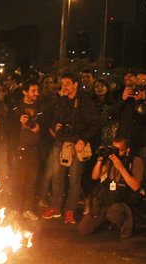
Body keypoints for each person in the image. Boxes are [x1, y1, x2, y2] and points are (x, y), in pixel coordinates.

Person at [41, 72, 99, 224]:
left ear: (75, 85)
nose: (64, 86)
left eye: (67, 83)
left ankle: (70, 210)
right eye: (62, 83)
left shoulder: (85, 101)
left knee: (74, 178)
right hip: (60, 142)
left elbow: (94, 124)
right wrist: (56, 125)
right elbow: (50, 116)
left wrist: (82, 139)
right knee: (57, 176)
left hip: (77, 144)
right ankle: (55, 207)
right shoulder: (61, 100)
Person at [78, 135, 143, 239]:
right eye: (113, 148)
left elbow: (135, 186)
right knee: (83, 229)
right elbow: (95, 176)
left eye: (118, 150)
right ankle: (106, 221)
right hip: (108, 198)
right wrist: (99, 160)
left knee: (113, 212)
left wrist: (120, 166)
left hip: (123, 200)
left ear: (127, 150)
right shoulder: (111, 159)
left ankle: (128, 222)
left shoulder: (135, 161)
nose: (115, 153)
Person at [9, 79, 43, 221]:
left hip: (34, 150)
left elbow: (39, 128)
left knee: (31, 181)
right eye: (33, 91)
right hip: (19, 148)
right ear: (25, 92)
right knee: (17, 181)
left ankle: (27, 209)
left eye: (37, 90)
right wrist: (19, 121)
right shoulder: (17, 108)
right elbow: (9, 127)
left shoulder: (41, 107)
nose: (36, 93)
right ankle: (15, 209)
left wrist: (29, 124)